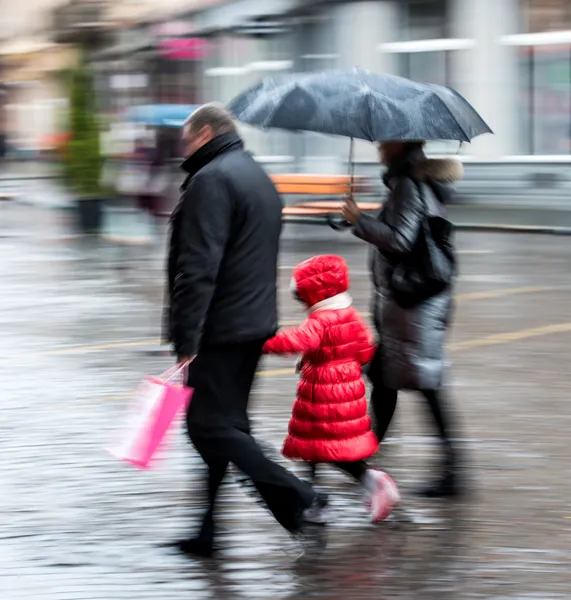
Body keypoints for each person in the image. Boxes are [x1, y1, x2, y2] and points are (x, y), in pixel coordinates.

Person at [164, 103, 322, 558]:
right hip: (252, 323)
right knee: (226, 426)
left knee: (207, 426)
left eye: (187, 139)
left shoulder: (211, 180)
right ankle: (209, 529)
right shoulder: (256, 175)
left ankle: (302, 498)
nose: (184, 148)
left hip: (220, 327)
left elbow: (198, 268)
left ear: (207, 132)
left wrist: (186, 339)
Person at [341, 141, 463, 498]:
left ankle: (452, 471)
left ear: (399, 145)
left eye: (384, 140)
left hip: (413, 303)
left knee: (424, 384)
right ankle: (365, 456)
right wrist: (358, 221)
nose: (378, 146)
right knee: (385, 377)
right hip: (410, 303)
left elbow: (400, 239)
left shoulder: (408, 184)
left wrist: (359, 221)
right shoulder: (408, 182)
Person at [263, 254, 400, 523]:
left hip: (323, 391)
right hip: (347, 390)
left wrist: (264, 342)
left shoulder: (321, 320)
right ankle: (317, 498)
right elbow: (364, 350)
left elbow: (298, 340)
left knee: (321, 446)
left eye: (302, 298)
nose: (302, 304)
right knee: (318, 447)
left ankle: (364, 481)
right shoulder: (349, 314)